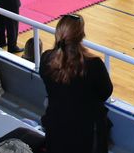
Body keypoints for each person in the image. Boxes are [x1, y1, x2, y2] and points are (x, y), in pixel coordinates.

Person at [40, 14, 113, 153]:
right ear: (81, 35)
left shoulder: (46, 58)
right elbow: (105, 92)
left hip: (56, 126)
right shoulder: (94, 64)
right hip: (87, 132)